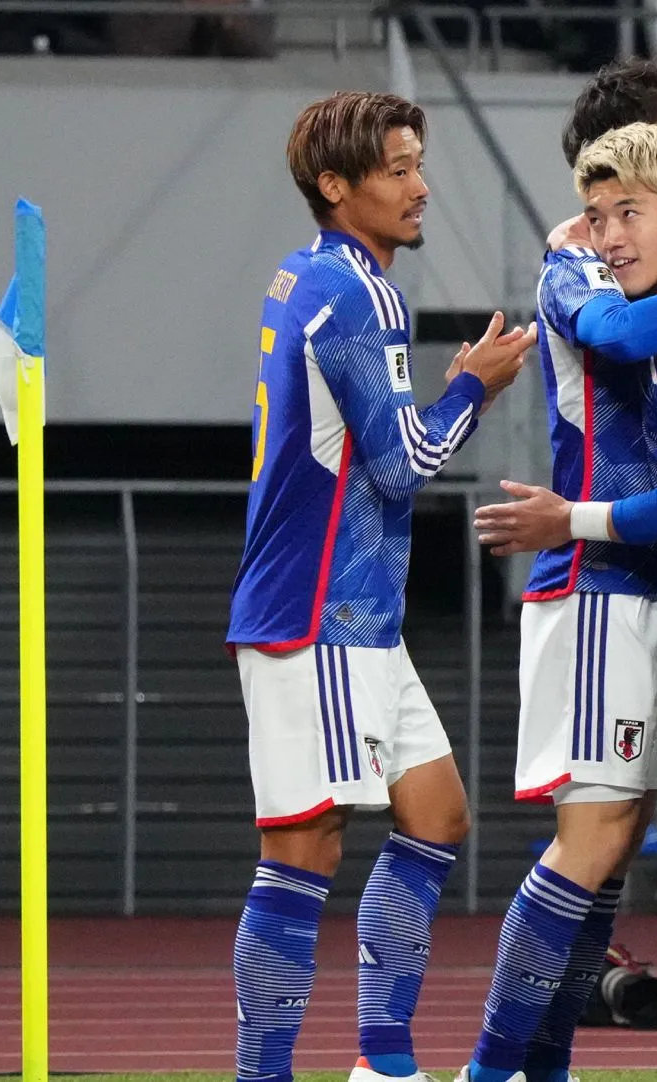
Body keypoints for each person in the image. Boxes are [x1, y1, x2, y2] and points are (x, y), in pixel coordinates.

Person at [226, 90, 538, 1082]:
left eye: (416, 164)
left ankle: (386, 1063)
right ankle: (264, 1072)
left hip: (356, 611)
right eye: (398, 169)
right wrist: (474, 386)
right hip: (315, 611)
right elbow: (403, 461)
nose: (420, 187)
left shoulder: (309, 274)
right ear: (336, 185)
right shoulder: (359, 293)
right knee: (302, 851)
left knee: (437, 812)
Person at [456, 126, 657, 1082]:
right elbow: (615, 335)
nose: (605, 233)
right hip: (595, 582)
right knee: (598, 839)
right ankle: (498, 1064)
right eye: (596, 213)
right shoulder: (575, 273)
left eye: (624, 212)